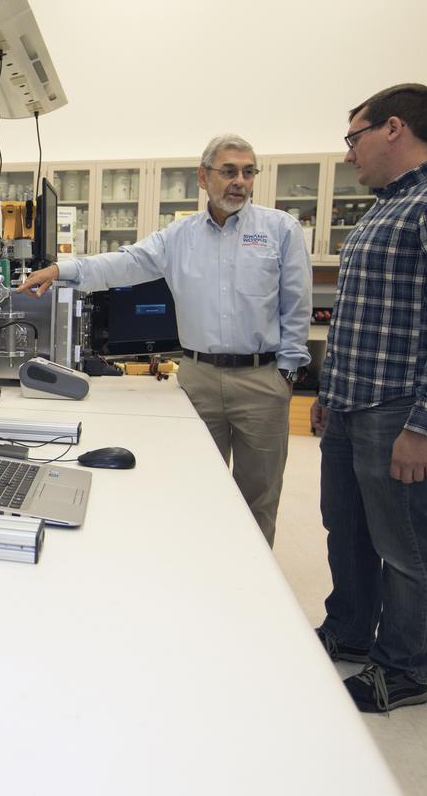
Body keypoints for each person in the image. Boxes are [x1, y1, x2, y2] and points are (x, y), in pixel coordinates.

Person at [19, 135, 311, 546]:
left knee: (258, 496)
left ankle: (251, 589)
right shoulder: (179, 237)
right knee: (198, 487)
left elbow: (297, 304)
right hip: (198, 379)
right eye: (229, 171)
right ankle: (203, 569)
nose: (239, 181)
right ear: (203, 177)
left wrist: (287, 374)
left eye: (248, 172)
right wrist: (60, 270)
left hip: (261, 381)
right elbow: (124, 264)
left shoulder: (280, 229)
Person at [311, 84, 427, 713]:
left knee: (405, 546)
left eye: (353, 137)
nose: (348, 154)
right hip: (353, 405)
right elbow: (363, 318)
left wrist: (426, 426)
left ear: (394, 128)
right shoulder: (387, 206)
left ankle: (404, 669)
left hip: (401, 412)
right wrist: (330, 395)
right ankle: (350, 631)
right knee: (348, 532)